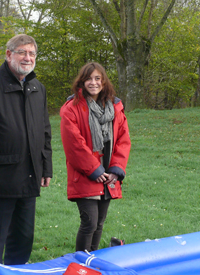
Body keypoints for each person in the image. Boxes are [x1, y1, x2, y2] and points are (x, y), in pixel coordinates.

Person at [0, 34, 53, 275]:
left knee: (23, 239)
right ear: (8, 54)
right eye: (22, 52)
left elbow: (45, 133)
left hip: (30, 176)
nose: (28, 58)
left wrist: (46, 169)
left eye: (32, 53)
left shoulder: (37, 88)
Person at [60, 62, 131, 252]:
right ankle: (81, 263)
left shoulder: (114, 107)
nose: (93, 83)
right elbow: (74, 145)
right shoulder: (71, 108)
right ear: (81, 82)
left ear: (104, 81)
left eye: (97, 78)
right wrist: (94, 170)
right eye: (89, 79)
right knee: (89, 223)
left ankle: (91, 262)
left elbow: (123, 140)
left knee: (99, 223)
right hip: (86, 174)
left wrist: (115, 170)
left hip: (109, 174)